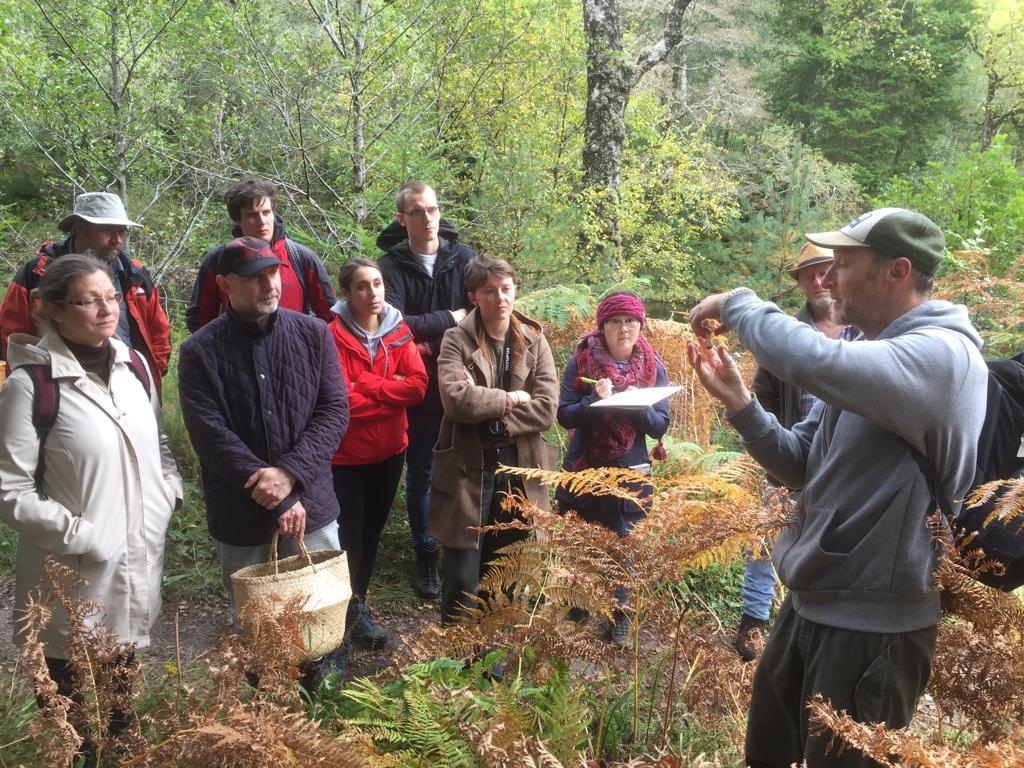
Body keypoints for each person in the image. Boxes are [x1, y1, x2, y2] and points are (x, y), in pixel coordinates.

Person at [687, 208, 988, 767]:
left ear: (896, 271)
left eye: (842, 266)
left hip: (873, 631)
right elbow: (801, 463)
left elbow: (807, 355)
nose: (825, 281)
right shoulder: (875, 352)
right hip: (809, 607)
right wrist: (741, 404)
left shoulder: (941, 357)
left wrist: (738, 304)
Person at [0, 254, 182, 745]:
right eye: (89, 301)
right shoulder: (30, 386)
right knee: (76, 725)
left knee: (121, 717)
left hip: (137, 561)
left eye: (112, 298)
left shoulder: (135, 366)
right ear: (53, 310)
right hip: (71, 575)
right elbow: (9, 491)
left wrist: (169, 495)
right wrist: (82, 536)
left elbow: (159, 446)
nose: (107, 310)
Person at [177, 237, 348, 653]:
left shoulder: (313, 335)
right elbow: (209, 433)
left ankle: (317, 700)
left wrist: (290, 473)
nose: (269, 284)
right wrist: (270, 490)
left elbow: (334, 410)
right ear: (225, 285)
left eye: (273, 272)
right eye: (255, 277)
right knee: (255, 625)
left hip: (312, 500)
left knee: (320, 607)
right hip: (240, 510)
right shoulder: (199, 351)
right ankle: (264, 708)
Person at [735, 243, 857, 662]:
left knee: (831, 544)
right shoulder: (784, 334)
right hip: (790, 459)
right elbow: (763, 396)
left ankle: (816, 623)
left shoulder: (863, 331)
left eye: (824, 271)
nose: (818, 282)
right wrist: (777, 439)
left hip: (846, 470)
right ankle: (753, 620)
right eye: (808, 276)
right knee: (765, 541)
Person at [427, 256, 558, 624]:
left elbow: (546, 409)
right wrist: (511, 399)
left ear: (515, 289)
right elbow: (456, 401)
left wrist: (492, 418)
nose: (500, 297)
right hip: (468, 469)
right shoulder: (455, 339)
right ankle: (456, 659)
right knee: (462, 575)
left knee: (507, 568)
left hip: (520, 469)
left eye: (506, 288)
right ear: (474, 295)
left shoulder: (535, 339)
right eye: (489, 290)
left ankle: (493, 657)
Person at [377, 181, 477, 600]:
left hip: (465, 382)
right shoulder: (390, 266)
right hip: (415, 387)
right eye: (417, 212)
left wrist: (435, 330)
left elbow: (479, 313)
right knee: (420, 473)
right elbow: (396, 325)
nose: (428, 218)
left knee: (465, 469)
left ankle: (464, 547)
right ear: (403, 218)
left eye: (433, 209)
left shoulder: (465, 259)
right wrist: (450, 319)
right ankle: (425, 554)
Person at [556, 292, 670, 647]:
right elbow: (564, 415)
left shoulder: (654, 367)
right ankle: (581, 603)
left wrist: (636, 405)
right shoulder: (581, 361)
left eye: (631, 322)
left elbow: (660, 425)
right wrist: (594, 401)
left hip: (631, 470)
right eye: (615, 322)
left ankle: (621, 613)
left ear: (641, 325)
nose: (624, 329)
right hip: (584, 466)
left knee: (624, 544)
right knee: (582, 538)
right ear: (602, 326)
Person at [329, 257, 427, 649]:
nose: (373, 293)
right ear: (347, 293)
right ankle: (338, 622)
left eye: (377, 283)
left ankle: (358, 608)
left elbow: (418, 387)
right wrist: (389, 389)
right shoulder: (331, 335)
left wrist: (367, 384)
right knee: (347, 539)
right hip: (346, 458)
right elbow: (341, 401)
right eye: (362, 286)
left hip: (390, 453)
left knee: (370, 536)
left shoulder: (398, 330)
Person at [0, 192, 172, 397]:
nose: (117, 240)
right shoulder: (38, 273)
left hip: (129, 385)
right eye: (108, 230)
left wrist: (146, 375)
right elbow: (10, 334)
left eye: (121, 231)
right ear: (80, 228)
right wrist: (35, 388)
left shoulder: (135, 275)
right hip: (59, 390)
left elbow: (159, 333)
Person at [186, 177, 336, 331]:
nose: (262, 221)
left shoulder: (302, 257)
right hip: (236, 351)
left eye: (266, 212)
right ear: (238, 219)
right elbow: (200, 320)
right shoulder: (219, 260)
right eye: (252, 215)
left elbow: (331, 317)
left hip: (294, 350)